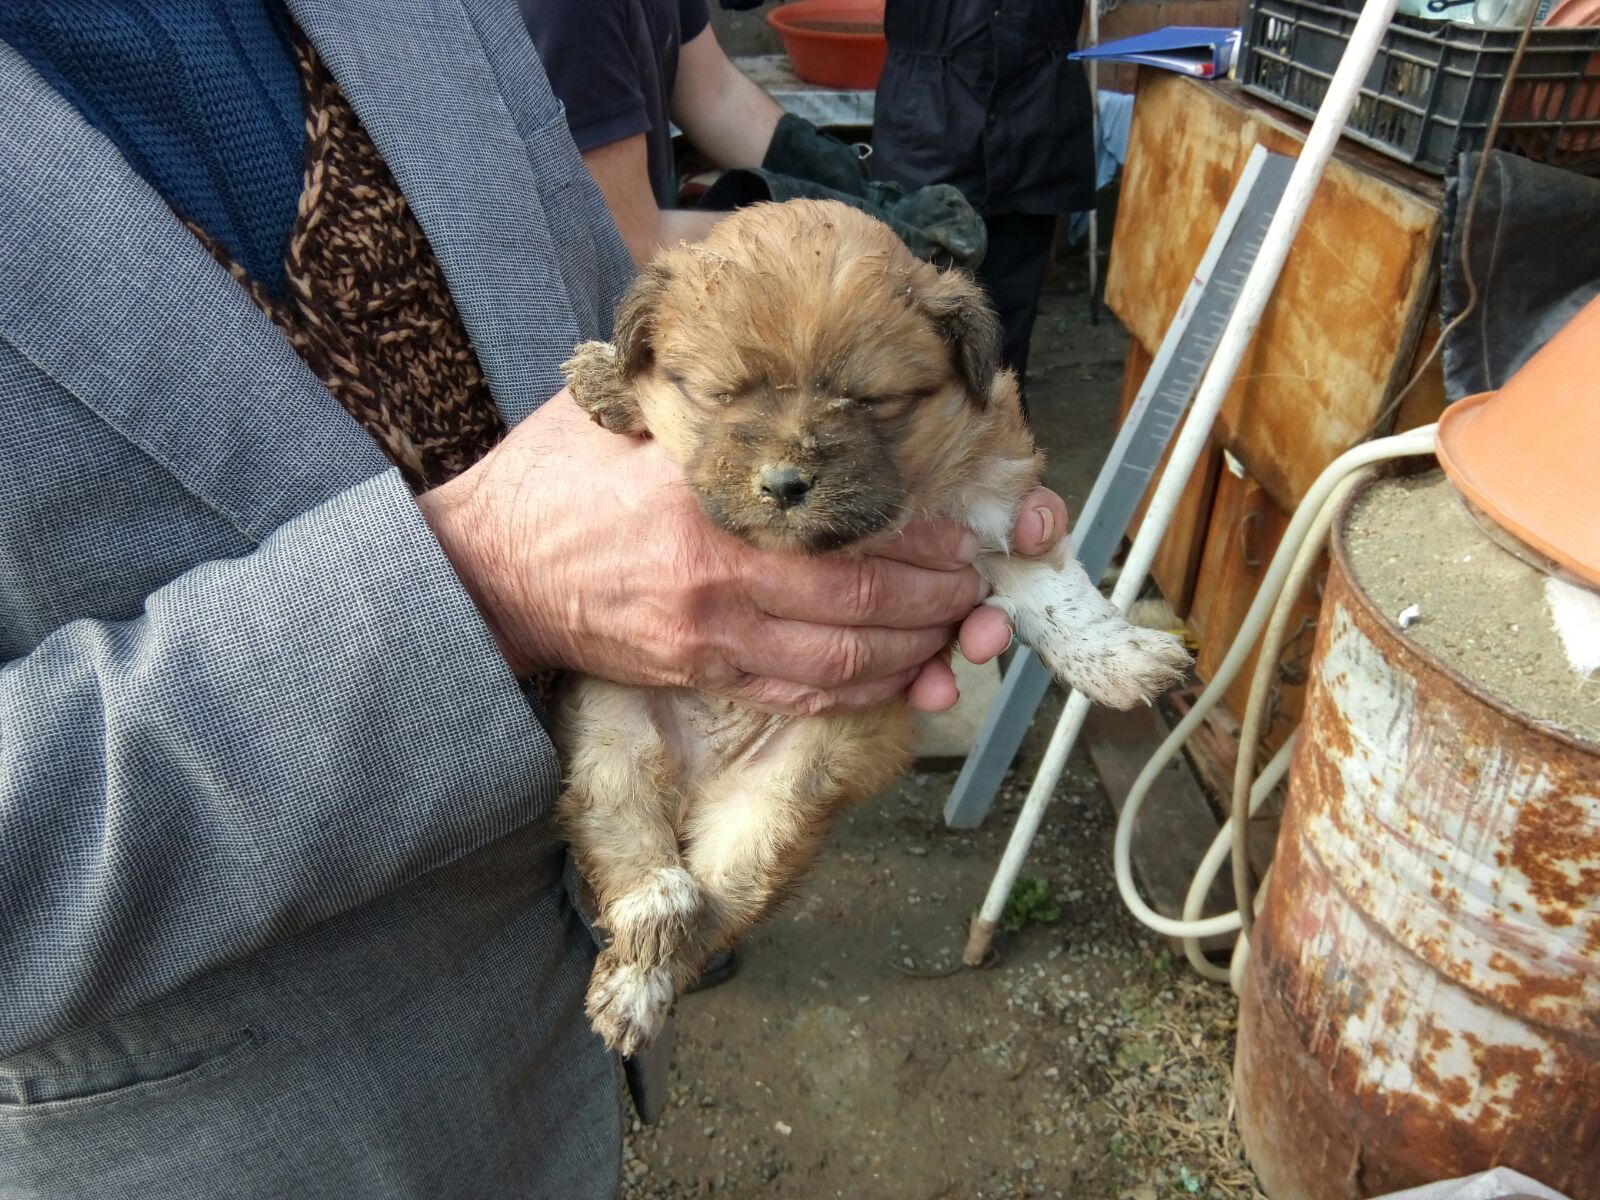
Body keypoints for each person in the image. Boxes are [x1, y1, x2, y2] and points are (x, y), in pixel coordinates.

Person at [0, 1, 1069, 1196]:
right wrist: (488, 581)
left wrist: (897, 501)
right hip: (246, 1132)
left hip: (566, 1049)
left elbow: (626, 313)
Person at [871, 0, 1097, 408]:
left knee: (1007, 336)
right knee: (910, 323)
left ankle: (1001, 437)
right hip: (928, 122)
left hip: (1036, 118)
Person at [517, 0, 784, 264]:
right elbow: (631, 248)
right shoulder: (573, 11)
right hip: (593, 279)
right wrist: (797, 232)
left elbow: (717, 93)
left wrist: (805, 159)